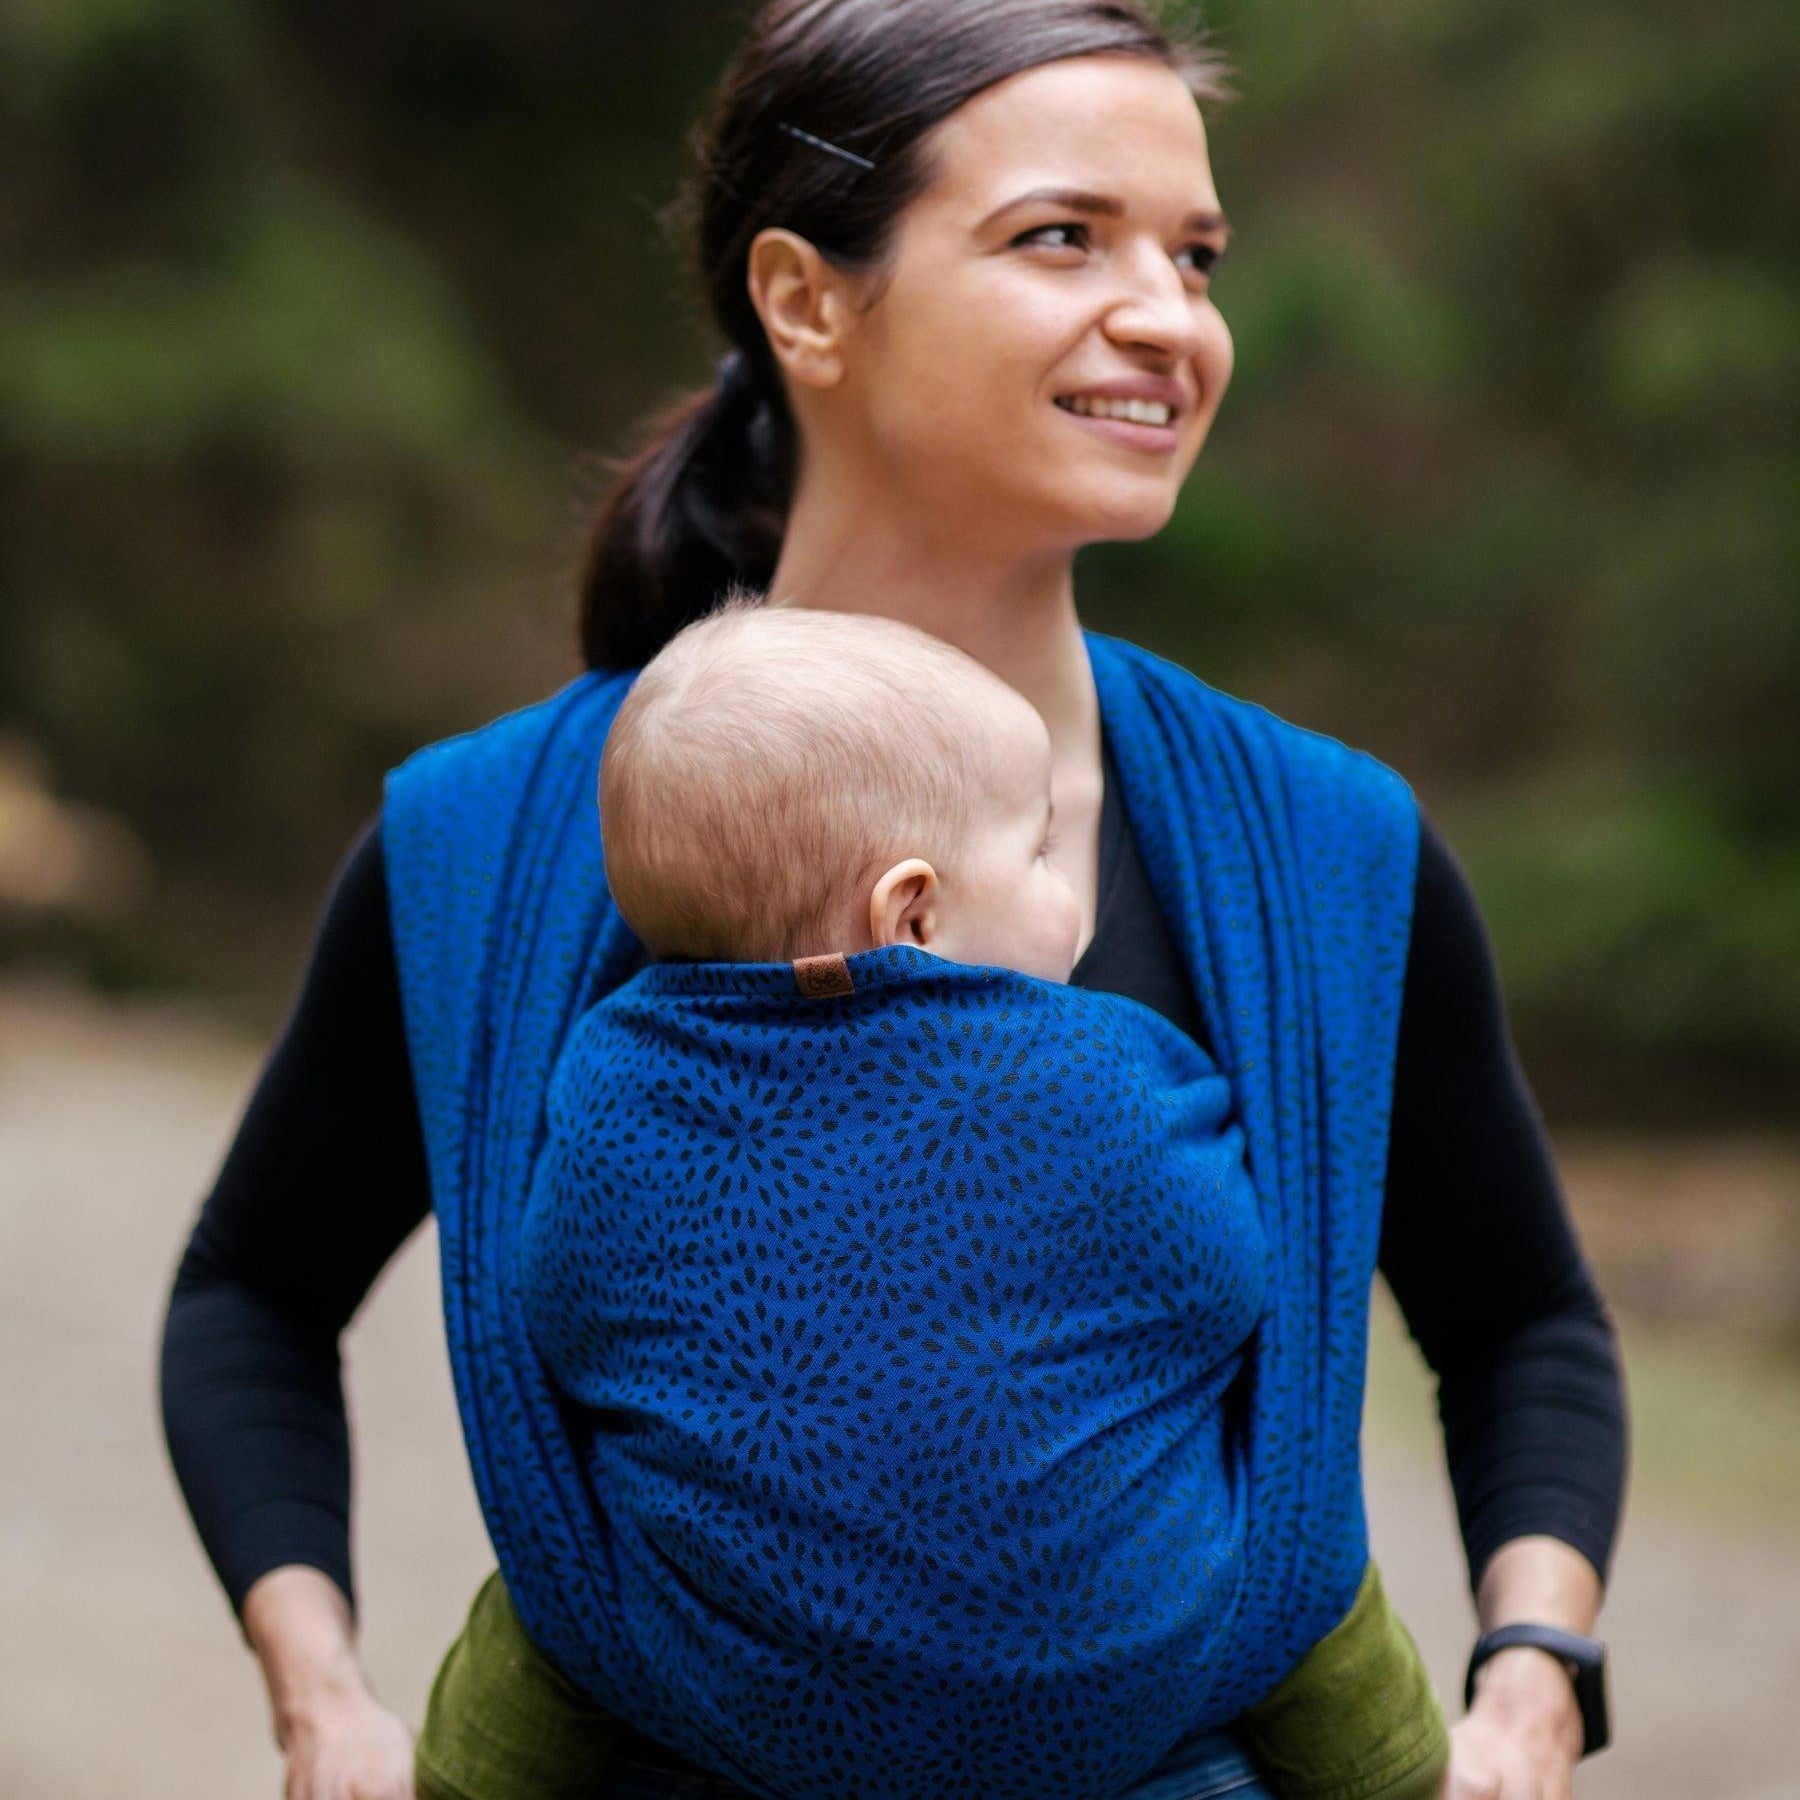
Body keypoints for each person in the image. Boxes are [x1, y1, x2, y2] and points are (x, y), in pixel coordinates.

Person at [158, 3, 1628, 1798]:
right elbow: (251, 1292)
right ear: (804, 300)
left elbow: (1522, 1322)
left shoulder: (1330, 851)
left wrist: (1531, 1678)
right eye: (1062, 237)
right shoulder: (492, 844)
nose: (1170, 316)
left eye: (1199, 254)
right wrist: (326, 1702)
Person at [405, 588, 1451, 1800]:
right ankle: (1410, 1777)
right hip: (1112, 1687)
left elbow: (556, 1318)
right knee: (1305, 1561)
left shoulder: (606, 1083)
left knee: (554, 1594)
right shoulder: (1103, 1068)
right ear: (914, 910)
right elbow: (1232, 1271)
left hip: (740, 1704)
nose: (1072, 890)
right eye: (1043, 851)